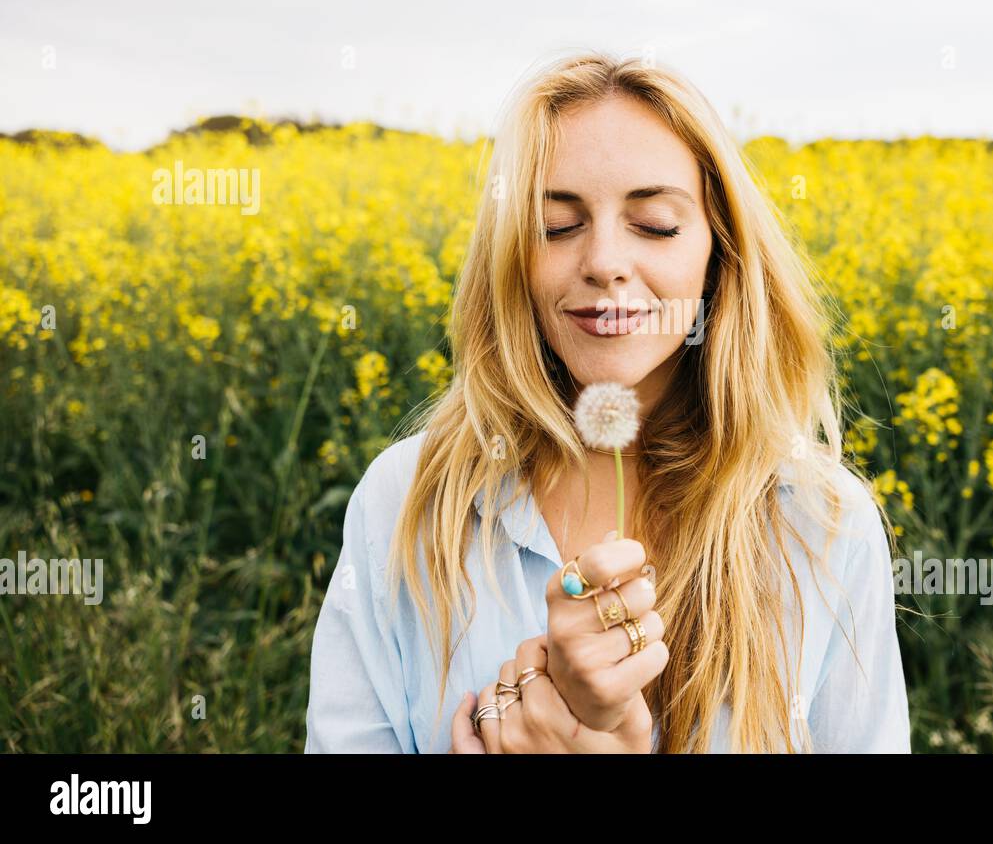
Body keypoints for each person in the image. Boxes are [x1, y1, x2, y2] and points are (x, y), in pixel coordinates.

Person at [304, 50, 910, 753]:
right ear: (511, 258)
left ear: (722, 252)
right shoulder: (402, 504)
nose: (604, 261)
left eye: (653, 222)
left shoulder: (824, 525)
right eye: (557, 226)